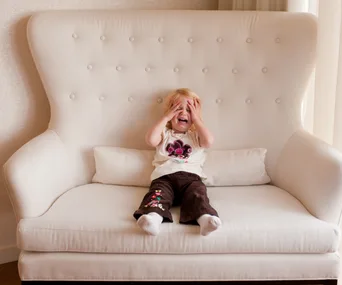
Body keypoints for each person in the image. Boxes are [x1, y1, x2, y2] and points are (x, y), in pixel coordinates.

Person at [133, 88, 221, 236]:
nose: (183, 113)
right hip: (164, 178)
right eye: (178, 109)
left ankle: (205, 219)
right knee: (156, 196)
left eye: (189, 110)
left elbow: (209, 141)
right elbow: (150, 140)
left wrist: (197, 119)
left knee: (197, 195)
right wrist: (165, 118)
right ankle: (153, 219)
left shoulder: (195, 136)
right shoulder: (165, 134)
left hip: (191, 179)